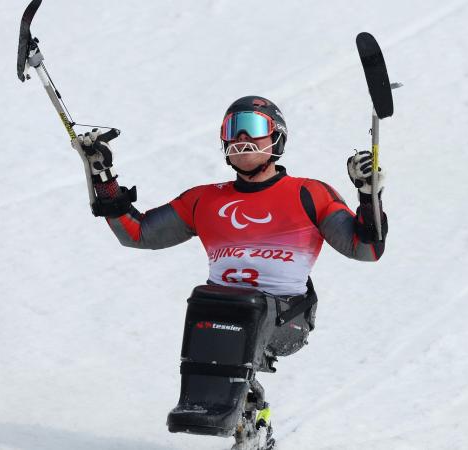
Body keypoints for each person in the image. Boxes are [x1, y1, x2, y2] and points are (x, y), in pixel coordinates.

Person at [76, 95, 388, 436]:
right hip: (220, 314)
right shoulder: (204, 200)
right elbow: (137, 233)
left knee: (244, 305)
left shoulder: (309, 193)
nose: (241, 138)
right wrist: (101, 175)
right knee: (208, 302)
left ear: (277, 138)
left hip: (288, 320)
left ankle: (239, 407)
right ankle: (227, 408)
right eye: (232, 129)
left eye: (252, 127)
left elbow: (365, 249)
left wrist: (368, 197)